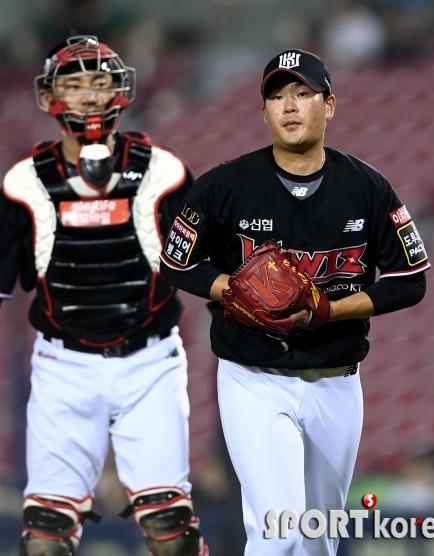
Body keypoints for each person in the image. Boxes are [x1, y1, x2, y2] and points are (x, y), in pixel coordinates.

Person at [159, 48, 430, 556]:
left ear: (329, 105)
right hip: (254, 380)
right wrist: (231, 291)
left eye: (302, 93)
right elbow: (176, 262)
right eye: (277, 96)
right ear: (263, 111)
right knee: (279, 532)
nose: (289, 105)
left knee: (319, 541)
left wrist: (329, 311)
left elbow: (410, 279)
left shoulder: (368, 188)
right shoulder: (224, 187)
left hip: (336, 382)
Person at [0, 36, 208, 556]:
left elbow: (206, 265)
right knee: (45, 535)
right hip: (62, 366)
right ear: (52, 96)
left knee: (171, 530)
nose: (90, 96)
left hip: (150, 361)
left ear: (120, 91)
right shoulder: (24, 184)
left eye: (100, 82)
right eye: (75, 84)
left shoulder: (164, 172)